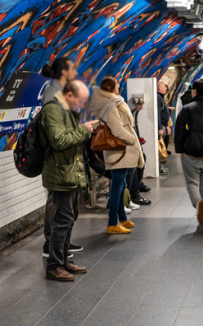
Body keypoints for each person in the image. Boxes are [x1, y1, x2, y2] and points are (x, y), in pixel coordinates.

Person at [41, 81, 99, 282]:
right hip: (60, 175)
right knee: (62, 219)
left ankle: (64, 259)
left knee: (70, 216)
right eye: (81, 100)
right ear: (69, 95)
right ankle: (54, 265)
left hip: (71, 173)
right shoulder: (52, 112)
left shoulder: (68, 112)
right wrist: (84, 130)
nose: (82, 105)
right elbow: (59, 141)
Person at [88, 77, 146, 234]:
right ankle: (112, 223)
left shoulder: (113, 103)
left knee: (121, 187)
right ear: (112, 88)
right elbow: (117, 129)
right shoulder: (110, 106)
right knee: (117, 189)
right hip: (119, 152)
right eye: (117, 85)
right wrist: (132, 139)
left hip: (122, 152)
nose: (119, 87)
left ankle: (122, 218)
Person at [39, 57, 83, 258]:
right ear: (64, 71)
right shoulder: (52, 94)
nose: (75, 70)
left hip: (67, 159)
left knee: (66, 208)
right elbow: (55, 131)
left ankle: (62, 244)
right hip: (57, 159)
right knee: (55, 202)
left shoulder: (62, 91)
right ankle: (51, 244)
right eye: (72, 67)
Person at [174, 79, 203, 225]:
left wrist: (180, 149)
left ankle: (198, 205)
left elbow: (179, 130)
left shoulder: (187, 108)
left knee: (192, 182)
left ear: (195, 91)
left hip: (190, 150)